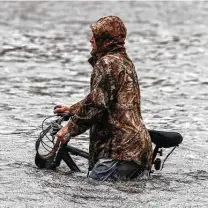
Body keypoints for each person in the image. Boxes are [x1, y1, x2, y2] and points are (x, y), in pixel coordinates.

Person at [54, 16, 153, 181]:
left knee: (89, 194)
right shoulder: (123, 61)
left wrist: (70, 128)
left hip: (119, 150)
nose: (90, 40)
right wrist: (72, 109)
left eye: (95, 36)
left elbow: (97, 104)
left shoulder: (107, 63)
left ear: (105, 39)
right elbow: (102, 96)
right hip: (136, 148)